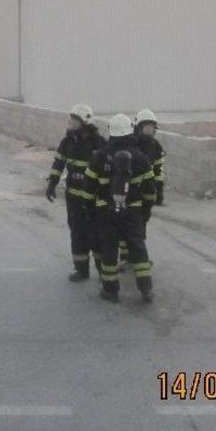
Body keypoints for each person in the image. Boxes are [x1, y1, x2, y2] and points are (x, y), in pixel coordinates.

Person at [86, 114, 156, 303]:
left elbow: (89, 188)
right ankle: (146, 289)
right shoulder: (141, 158)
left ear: (111, 132)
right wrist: (145, 211)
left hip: (105, 211)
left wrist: (90, 210)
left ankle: (110, 290)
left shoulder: (99, 156)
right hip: (132, 211)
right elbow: (150, 191)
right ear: (130, 130)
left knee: (109, 250)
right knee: (138, 248)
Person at [46, 104, 105, 282]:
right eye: (70, 120)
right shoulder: (67, 142)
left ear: (85, 122)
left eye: (75, 121)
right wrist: (52, 184)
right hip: (73, 198)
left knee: (97, 235)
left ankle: (105, 271)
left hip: (93, 199)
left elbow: (108, 169)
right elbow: (58, 164)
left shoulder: (99, 143)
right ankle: (81, 270)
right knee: (77, 233)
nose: (71, 123)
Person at [133, 109, 167, 206]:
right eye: (147, 127)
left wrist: (159, 193)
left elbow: (158, 171)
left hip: (148, 189)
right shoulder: (130, 143)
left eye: (152, 127)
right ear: (139, 127)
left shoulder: (155, 146)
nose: (150, 130)